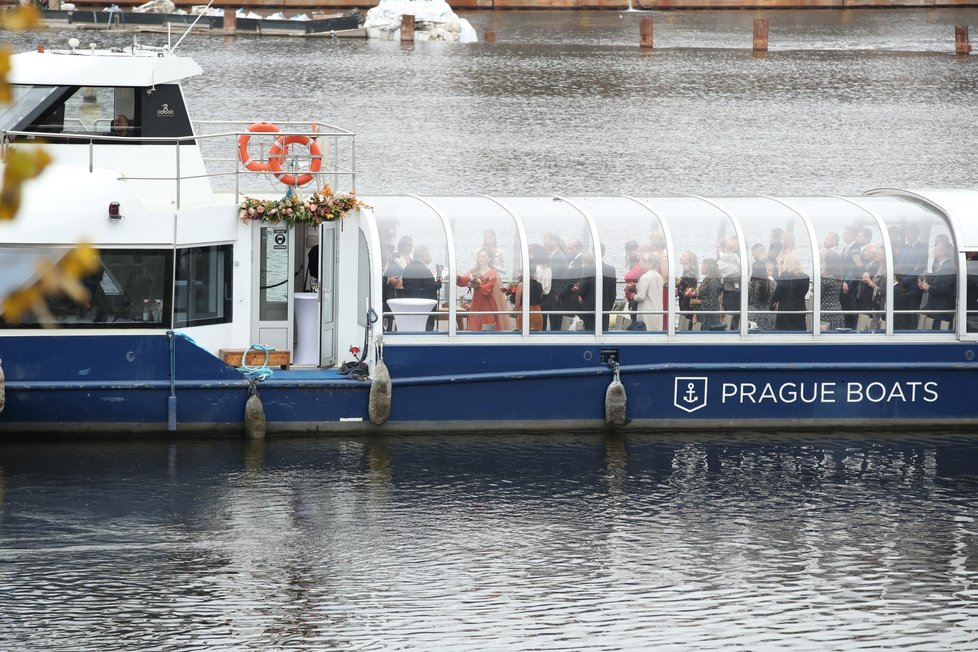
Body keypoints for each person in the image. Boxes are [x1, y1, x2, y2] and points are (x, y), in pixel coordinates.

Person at [457, 249, 500, 331]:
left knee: (487, 328)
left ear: (489, 259)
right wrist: (456, 276)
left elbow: (487, 289)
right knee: (474, 326)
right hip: (476, 303)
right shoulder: (474, 271)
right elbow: (463, 281)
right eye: (480, 256)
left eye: (483, 257)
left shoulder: (493, 272)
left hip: (487, 304)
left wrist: (477, 285)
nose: (481, 258)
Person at [400, 245, 442, 330]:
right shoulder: (424, 270)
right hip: (425, 306)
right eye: (429, 254)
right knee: (426, 327)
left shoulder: (407, 268)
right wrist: (439, 281)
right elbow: (433, 286)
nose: (430, 257)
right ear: (423, 256)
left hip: (410, 305)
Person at [577, 245, 617, 331]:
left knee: (589, 333)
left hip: (589, 308)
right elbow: (613, 292)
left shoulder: (588, 269)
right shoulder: (610, 269)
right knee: (604, 331)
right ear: (604, 253)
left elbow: (582, 290)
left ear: (593, 253)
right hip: (604, 308)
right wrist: (608, 307)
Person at [919, 239, 956, 330]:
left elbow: (947, 289)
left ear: (942, 252)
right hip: (935, 307)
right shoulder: (940, 266)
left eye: (936, 248)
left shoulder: (948, 267)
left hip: (942, 309)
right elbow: (937, 282)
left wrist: (929, 288)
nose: (933, 250)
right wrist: (925, 283)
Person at [770, 251, 810, 331]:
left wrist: (771, 304)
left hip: (785, 312)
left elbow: (778, 294)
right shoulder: (806, 277)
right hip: (799, 311)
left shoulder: (785, 275)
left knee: (784, 336)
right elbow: (804, 293)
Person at [690, 258, 724, 331]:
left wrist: (697, 301)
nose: (701, 267)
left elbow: (712, 302)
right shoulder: (707, 279)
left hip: (709, 316)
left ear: (708, 267)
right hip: (703, 313)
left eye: (703, 265)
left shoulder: (713, 282)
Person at [635, 252, 664, 332]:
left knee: (646, 332)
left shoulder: (645, 277)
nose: (642, 262)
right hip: (657, 310)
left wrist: (633, 296)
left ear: (651, 263)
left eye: (644, 260)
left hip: (646, 311)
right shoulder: (659, 276)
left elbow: (641, 297)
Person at [748, 243, 774, 330]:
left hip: (753, 316)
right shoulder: (773, 284)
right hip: (768, 315)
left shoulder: (751, 285)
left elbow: (747, 300)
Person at [820, 249, 845, 331]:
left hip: (825, 311)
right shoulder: (838, 277)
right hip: (837, 309)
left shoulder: (826, 278)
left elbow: (816, 291)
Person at [676, 250, 699, 329]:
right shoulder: (687, 273)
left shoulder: (689, 274)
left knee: (686, 325)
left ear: (689, 260)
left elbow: (691, 292)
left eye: (684, 256)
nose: (681, 257)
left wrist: (678, 289)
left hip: (687, 305)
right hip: (684, 304)